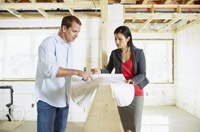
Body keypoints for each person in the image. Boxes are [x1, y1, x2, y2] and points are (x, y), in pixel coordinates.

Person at [35, 15, 93, 132]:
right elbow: (51, 70)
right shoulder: (48, 44)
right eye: (74, 31)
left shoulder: (69, 45)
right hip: (47, 100)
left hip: (63, 99)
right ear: (64, 28)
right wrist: (77, 72)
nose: (76, 35)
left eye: (78, 32)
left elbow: (65, 72)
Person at [91, 26, 149, 132]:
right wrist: (99, 71)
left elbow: (143, 73)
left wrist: (133, 81)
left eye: (120, 39)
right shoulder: (115, 53)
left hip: (136, 91)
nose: (117, 42)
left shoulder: (138, 53)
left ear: (128, 38)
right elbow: (108, 70)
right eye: (115, 39)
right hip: (121, 91)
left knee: (135, 125)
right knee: (123, 124)